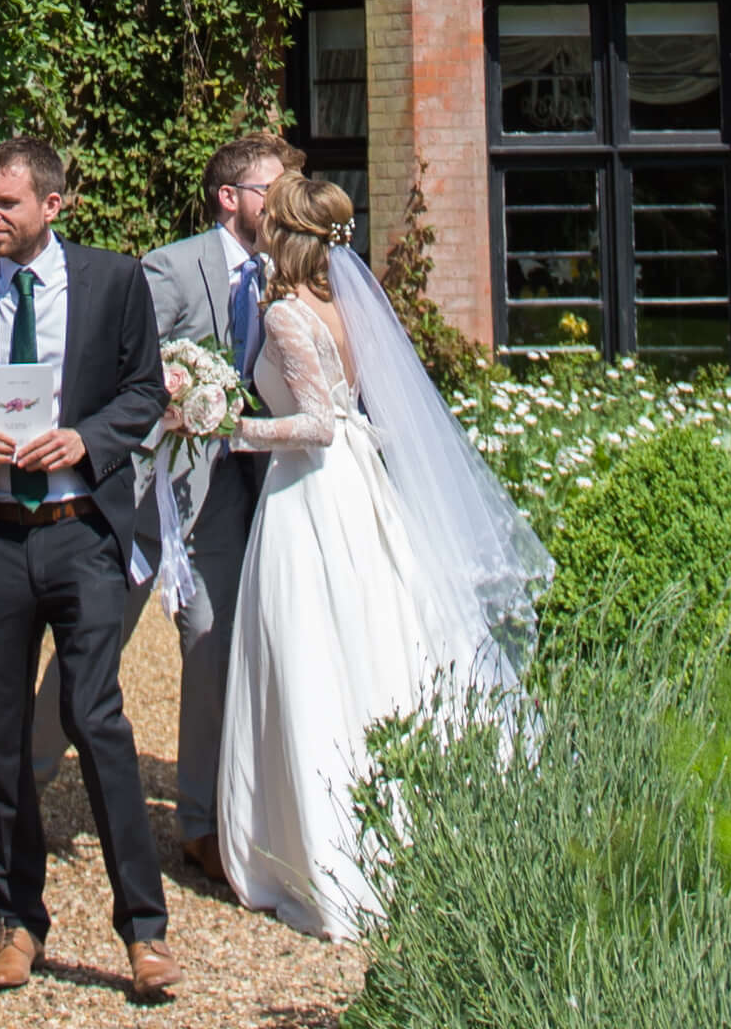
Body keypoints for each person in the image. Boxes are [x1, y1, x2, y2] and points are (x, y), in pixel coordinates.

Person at [209, 175, 549, 943]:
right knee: (374, 638)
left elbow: (318, 425)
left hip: (314, 493)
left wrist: (229, 427)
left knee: (310, 650)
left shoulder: (293, 315)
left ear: (284, 235)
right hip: (358, 486)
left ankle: (324, 845)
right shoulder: (345, 303)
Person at [0, 137, 176, 1002]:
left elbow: (144, 389)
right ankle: (17, 920)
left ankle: (143, 928)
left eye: (7, 205)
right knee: (1, 737)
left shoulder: (113, 282)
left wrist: (88, 439)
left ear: (52, 206)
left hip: (80, 533)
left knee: (95, 718)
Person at [140, 130, 290, 894]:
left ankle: (222, 816)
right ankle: (25, 795)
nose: (285, 200)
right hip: (174, 489)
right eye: (272, 188)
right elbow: (124, 360)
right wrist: (170, 403)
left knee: (236, 645)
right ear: (230, 199)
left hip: (261, 489)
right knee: (119, 641)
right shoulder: (172, 268)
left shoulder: (289, 271)